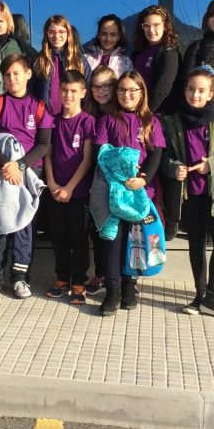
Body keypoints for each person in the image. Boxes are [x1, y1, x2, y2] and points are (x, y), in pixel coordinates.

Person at [160, 65, 214, 318]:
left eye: (201, 91)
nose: (195, 95)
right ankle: (200, 295)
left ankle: (213, 296)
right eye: (191, 89)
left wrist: (212, 164)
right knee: (196, 243)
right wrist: (174, 167)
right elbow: (165, 155)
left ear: (210, 94)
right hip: (191, 194)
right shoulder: (173, 121)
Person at [0, 53, 53, 305]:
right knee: (0, 226)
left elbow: (44, 144)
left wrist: (20, 165)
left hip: (28, 173)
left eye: (16, 73)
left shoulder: (40, 107)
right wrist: (7, 165)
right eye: (7, 75)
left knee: (24, 227)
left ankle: (21, 277)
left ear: (28, 74)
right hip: (1, 172)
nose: (12, 79)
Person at [93, 69, 165, 316]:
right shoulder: (107, 120)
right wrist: (119, 179)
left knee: (135, 241)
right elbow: (102, 153)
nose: (127, 94)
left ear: (142, 92)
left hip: (139, 191)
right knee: (113, 240)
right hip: (113, 191)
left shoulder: (151, 121)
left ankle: (129, 286)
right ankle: (112, 290)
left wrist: (143, 179)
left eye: (132, 90)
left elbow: (155, 154)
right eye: (122, 90)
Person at [43, 70, 95, 305]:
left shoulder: (87, 121)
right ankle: (62, 279)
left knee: (79, 239)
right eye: (64, 90)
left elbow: (87, 159)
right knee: (58, 237)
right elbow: (47, 154)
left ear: (83, 92)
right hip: (55, 191)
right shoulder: (52, 120)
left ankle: (78, 282)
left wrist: (70, 188)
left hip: (78, 193)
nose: (68, 95)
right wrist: (52, 183)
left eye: (74, 91)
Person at [84, 65, 118, 297]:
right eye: (96, 86)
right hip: (92, 178)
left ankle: (120, 276)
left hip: (116, 181)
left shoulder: (120, 113)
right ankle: (101, 275)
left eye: (106, 85)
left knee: (116, 230)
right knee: (97, 228)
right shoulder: (89, 113)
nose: (101, 90)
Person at [32, 14, 87, 116]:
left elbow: (88, 87)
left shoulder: (78, 59)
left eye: (61, 32)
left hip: (72, 118)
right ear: (46, 34)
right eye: (52, 32)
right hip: (45, 118)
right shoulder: (39, 60)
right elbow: (31, 91)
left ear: (68, 33)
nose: (56, 36)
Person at [131, 4, 180, 114]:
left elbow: (163, 89)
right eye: (147, 26)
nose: (151, 30)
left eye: (156, 25)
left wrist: (145, 113)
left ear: (165, 26)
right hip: (136, 110)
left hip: (158, 114)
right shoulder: (137, 54)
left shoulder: (169, 53)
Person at [83, 14, 133, 78]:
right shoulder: (86, 59)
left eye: (113, 35)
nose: (108, 39)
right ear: (98, 35)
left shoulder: (126, 62)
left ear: (118, 37)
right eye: (104, 34)